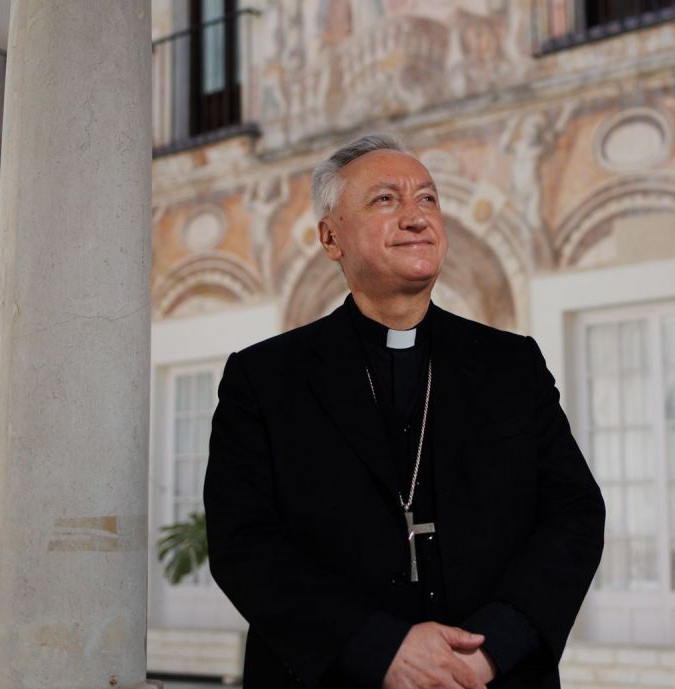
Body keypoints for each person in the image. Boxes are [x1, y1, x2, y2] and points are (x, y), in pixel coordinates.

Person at [204, 134, 605, 689]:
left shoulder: (511, 365)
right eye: (386, 200)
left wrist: (494, 645)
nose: (417, 218)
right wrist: (377, 647)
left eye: (428, 199)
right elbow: (244, 543)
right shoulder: (265, 378)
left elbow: (575, 514)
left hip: (492, 676)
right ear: (330, 236)